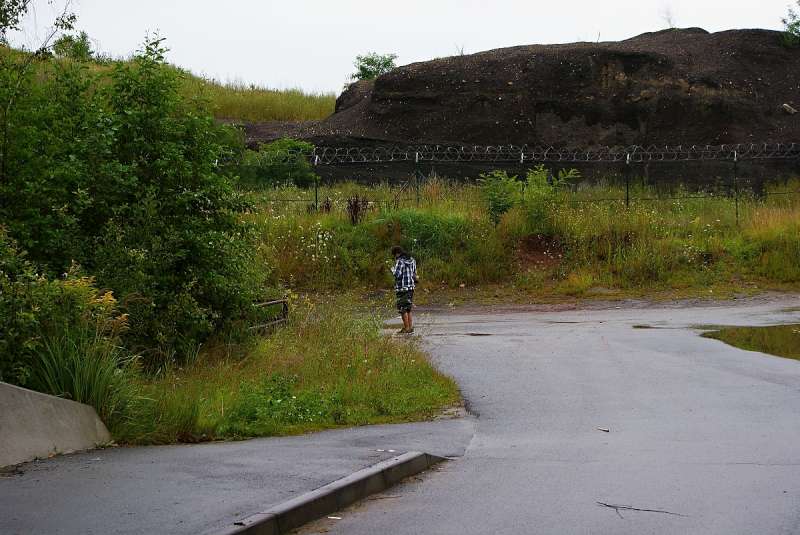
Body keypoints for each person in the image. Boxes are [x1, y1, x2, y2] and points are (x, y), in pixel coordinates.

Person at [391, 245, 418, 334]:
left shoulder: (400, 261)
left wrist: (392, 270)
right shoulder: (412, 260)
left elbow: (397, 275)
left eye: (394, 255)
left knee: (402, 309)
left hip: (402, 288)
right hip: (411, 287)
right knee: (408, 308)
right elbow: (414, 274)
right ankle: (410, 327)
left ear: (396, 253)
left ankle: (406, 328)